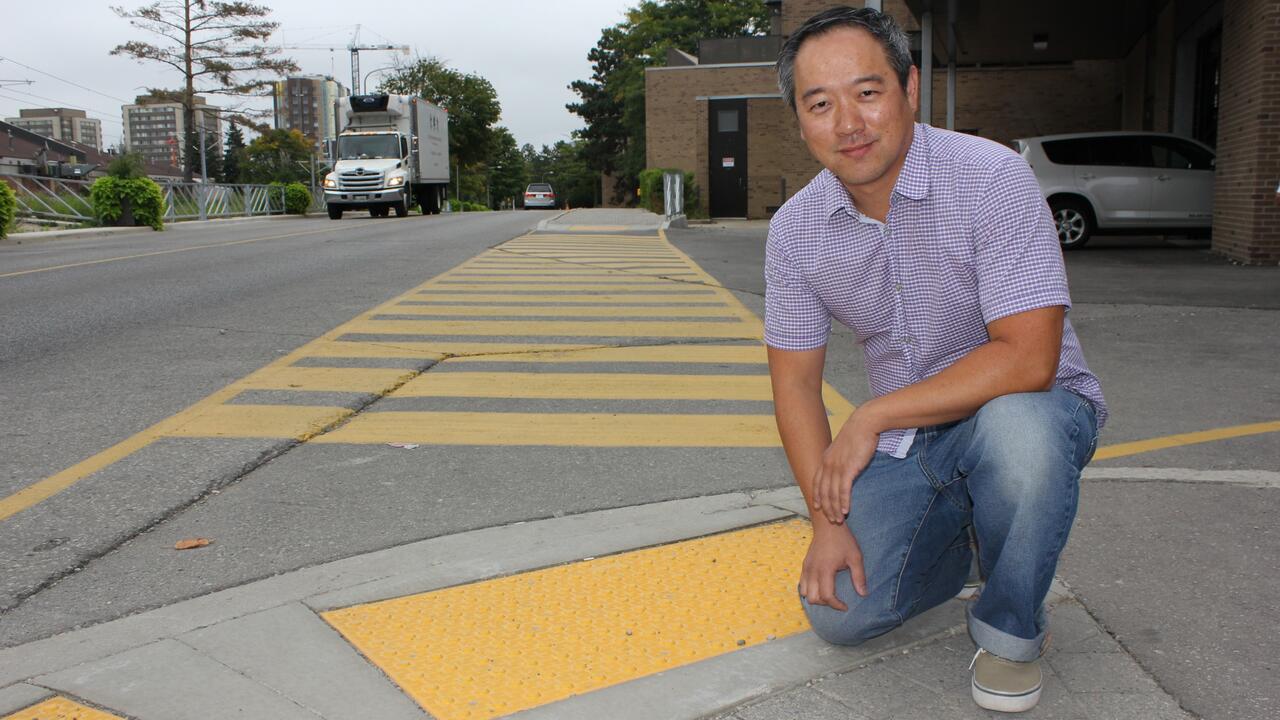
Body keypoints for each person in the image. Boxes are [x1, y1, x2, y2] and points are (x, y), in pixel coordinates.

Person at [765, 6, 1106, 714]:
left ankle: (1013, 630)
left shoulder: (991, 178)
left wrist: (873, 415)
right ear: (799, 120)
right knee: (842, 613)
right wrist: (826, 525)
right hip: (915, 442)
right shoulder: (795, 231)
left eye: (868, 92)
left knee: (1018, 436)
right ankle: (980, 539)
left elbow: (1030, 359)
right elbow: (795, 384)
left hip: (1032, 411)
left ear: (909, 89)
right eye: (820, 104)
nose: (848, 124)